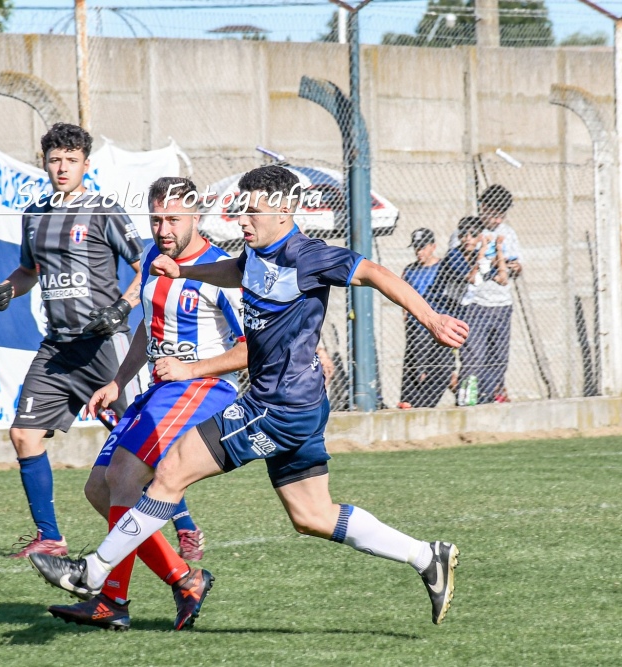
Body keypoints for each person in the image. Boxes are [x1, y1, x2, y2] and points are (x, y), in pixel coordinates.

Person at [29, 165, 469, 626]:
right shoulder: (255, 254)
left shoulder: (309, 255)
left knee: (171, 472)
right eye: (241, 211)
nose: (242, 221)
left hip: (275, 407)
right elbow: (235, 271)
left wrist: (432, 319)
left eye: (252, 212)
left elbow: (376, 273)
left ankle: (93, 575)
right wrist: (184, 270)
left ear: (283, 211)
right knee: (312, 514)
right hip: (297, 405)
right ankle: (426, 556)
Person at [46, 176, 248, 631]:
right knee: (100, 488)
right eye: (156, 219)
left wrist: (189, 369)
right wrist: (118, 381)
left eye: (173, 219)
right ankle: (183, 578)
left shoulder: (223, 272)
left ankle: (111, 601)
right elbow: (148, 328)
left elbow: (251, 349)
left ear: (197, 217)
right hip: (159, 390)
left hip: (202, 389)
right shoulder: (158, 259)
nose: (163, 229)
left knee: (122, 479)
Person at [0, 123, 158, 558]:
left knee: (140, 441)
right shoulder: (34, 215)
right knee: (24, 435)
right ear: (44, 162)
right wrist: (8, 286)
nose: (62, 167)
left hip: (105, 344)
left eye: (71, 160)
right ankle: (51, 538)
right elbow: (29, 271)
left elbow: (148, 265)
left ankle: (186, 526)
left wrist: (123, 306)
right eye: (54, 159)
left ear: (86, 165)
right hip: (57, 347)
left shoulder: (103, 211)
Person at [449, 185, 521, 404]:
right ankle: (467, 401)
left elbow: (517, 266)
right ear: (484, 207)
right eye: (494, 214)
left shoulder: (508, 233)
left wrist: (516, 267)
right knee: (473, 357)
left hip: (502, 304)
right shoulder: (467, 231)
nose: (498, 220)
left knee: (498, 359)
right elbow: (457, 265)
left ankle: (488, 400)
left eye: (502, 216)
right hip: (475, 305)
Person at [398, 228, 456, 409]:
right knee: (416, 370)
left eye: (423, 247)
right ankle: (411, 404)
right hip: (417, 329)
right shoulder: (410, 270)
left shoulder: (444, 268)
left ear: (433, 247)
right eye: (416, 247)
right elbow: (402, 294)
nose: (419, 251)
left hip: (439, 329)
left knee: (443, 369)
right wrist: (406, 315)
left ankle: (427, 405)